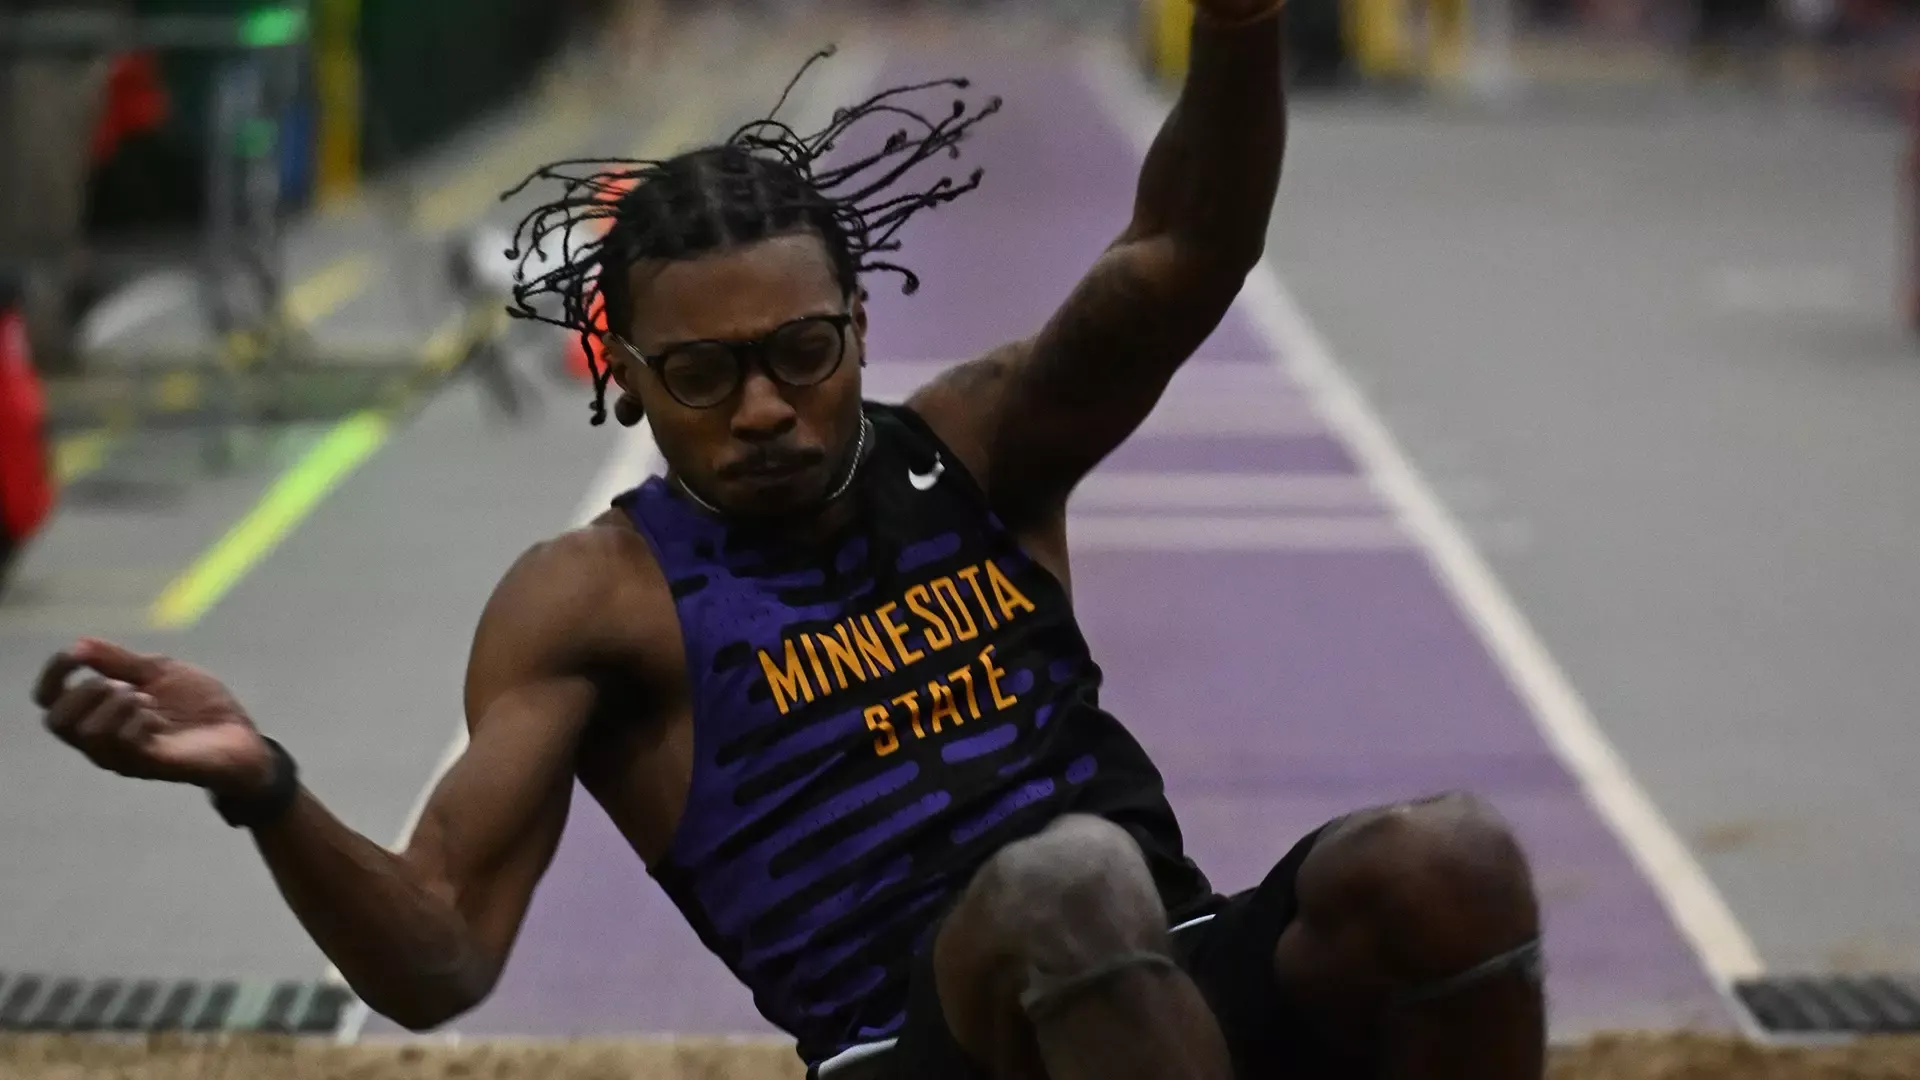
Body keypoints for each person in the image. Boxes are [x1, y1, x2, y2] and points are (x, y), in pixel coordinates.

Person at [32, 6, 1547, 1078]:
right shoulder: (596, 603)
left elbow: (1184, 249)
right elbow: (439, 952)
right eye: (703, 374)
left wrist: (1241, 20)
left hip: (1164, 990)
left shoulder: (981, 445)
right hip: (918, 1045)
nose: (763, 407)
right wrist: (265, 786)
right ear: (625, 376)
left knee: (1449, 863)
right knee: (1070, 881)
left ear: (859, 326)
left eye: (802, 353)